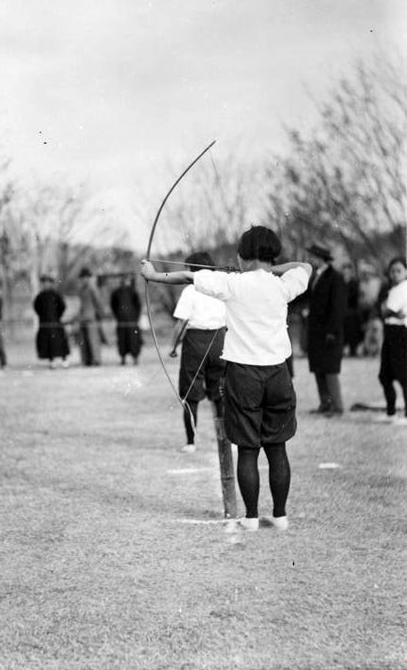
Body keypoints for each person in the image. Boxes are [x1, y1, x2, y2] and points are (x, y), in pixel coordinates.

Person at [141, 226, 312, 532]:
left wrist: (153, 275)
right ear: (272, 256)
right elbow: (305, 267)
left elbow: (188, 277)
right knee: (277, 448)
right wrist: (269, 268)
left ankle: (249, 518)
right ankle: (281, 515)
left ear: (243, 257)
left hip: (244, 374)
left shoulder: (232, 284)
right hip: (278, 374)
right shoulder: (282, 285)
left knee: (248, 448)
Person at [169, 252, 226, 453]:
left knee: (190, 394)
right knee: (220, 393)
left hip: (195, 343)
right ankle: (226, 441)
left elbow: (180, 323)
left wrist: (174, 347)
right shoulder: (221, 286)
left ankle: (191, 443)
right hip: (220, 341)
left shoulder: (190, 290)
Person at [306, 244, 348, 417]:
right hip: (316, 332)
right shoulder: (316, 276)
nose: (309, 259)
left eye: (312, 256)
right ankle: (325, 403)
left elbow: (338, 307)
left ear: (320, 258)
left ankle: (337, 406)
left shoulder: (335, 277)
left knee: (329, 369)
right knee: (318, 367)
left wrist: (332, 331)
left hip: (329, 332)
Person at [375, 257, 407, 425]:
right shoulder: (392, 288)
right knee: (384, 375)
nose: (395, 274)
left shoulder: (404, 288)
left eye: (399, 270)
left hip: (400, 333)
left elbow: (387, 310)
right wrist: (387, 310)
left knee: (403, 374)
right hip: (390, 332)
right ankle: (391, 412)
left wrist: (387, 310)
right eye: (392, 271)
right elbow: (382, 310)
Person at [33, 274, 70, 369]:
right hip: (45, 323)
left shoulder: (56, 295)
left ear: (50, 283)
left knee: (59, 342)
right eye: (43, 283)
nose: (45, 285)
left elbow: (62, 306)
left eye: (47, 283)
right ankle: (51, 361)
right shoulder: (39, 297)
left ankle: (64, 359)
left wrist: (57, 316)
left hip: (56, 323)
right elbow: (36, 308)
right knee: (48, 343)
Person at [110, 274, 142, 366]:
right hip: (121, 321)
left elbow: (138, 305)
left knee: (134, 340)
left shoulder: (133, 292)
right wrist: (118, 316)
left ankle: (135, 358)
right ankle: (123, 358)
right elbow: (113, 306)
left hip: (132, 321)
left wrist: (136, 318)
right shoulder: (116, 293)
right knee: (122, 340)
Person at [77, 267, 104, 366]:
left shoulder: (93, 288)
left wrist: (99, 315)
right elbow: (81, 304)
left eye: (85, 277)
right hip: (83, 318)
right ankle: (86, 360)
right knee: (84, 342)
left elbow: (98, 303)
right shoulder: (81, 290)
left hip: (92, 318)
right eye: (82, 278)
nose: (83, 279)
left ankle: (96, 360)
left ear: (88, 278)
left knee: (93, 340)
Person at [342, 262, 362, 357]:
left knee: (351, 322)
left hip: (352, 310)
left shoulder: (355, 283)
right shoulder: (340, 282)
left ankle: (352, 348)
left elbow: (354, 298)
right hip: (342, 310)